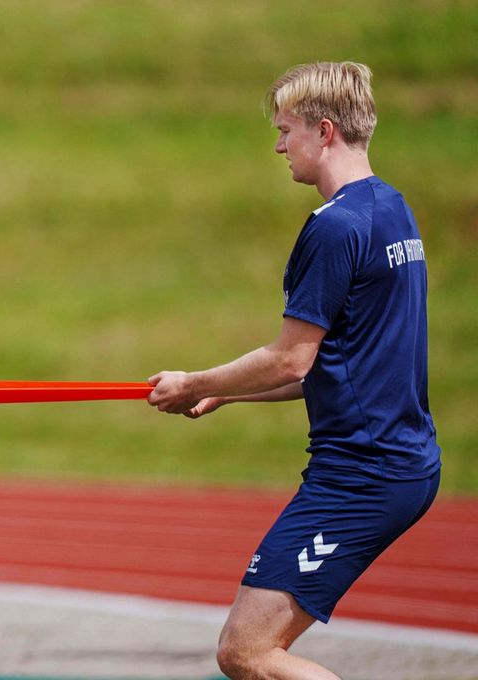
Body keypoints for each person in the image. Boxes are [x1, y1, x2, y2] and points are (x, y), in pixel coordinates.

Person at [146, 62, 440, 679]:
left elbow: (291, 357)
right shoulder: (392, 209)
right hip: (394, 461)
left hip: (363, 472)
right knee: (247, 650)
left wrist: (195, 381)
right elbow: (336, 365)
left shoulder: (335, 229)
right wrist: (230, 397)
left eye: (285, 130)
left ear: (323, 131)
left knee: (246, 652)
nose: (279, 146)